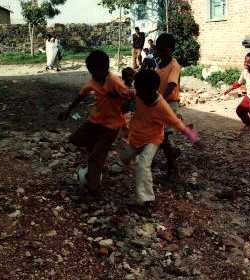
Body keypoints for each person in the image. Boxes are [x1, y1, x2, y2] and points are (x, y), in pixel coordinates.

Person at [120, 70, 199, 215]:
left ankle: (145, 202)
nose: (139, 94)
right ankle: (142, 169)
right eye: (137, 89)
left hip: (153, 139)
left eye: (141, 91)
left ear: (152, 90)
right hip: (135, 136)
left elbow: (178, 124)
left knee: (142, 165)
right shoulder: (138, 92)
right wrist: (122, 95)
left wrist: (194, 138)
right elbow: (129, 93)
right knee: (124, 157)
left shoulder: (162, 107)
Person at [58, 50, 134, 196]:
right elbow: (82, 94)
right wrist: (68, 110)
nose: (92, 75)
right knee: (75, 140)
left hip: (111, 126)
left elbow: (130, 98)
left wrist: (116, 98)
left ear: (105, 68)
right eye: (90, 72)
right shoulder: (94, 80)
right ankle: (95, 160)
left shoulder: (115, 82)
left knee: (96, 156)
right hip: (95, 121)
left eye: (94, 71)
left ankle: (93, 188)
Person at [155, 33, 182, 182]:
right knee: (161, 136)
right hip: (160, 102)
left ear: (170, 49)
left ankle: (174, 169)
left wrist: (161, 99)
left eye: (163, 50)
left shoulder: (174, 65)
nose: (159, 52)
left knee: (163, 137)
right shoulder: (159, 64)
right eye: (158, 49)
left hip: (168, 103)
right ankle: (172, 152)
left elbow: (172, 84)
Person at [223, 52, 250, 140]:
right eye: (245, 61)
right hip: (248, 96)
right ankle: (249, 123)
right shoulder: (244, 71)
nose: (246, 64)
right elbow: (239, 82)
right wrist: (229, 89)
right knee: (240, 110)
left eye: (248, 62)